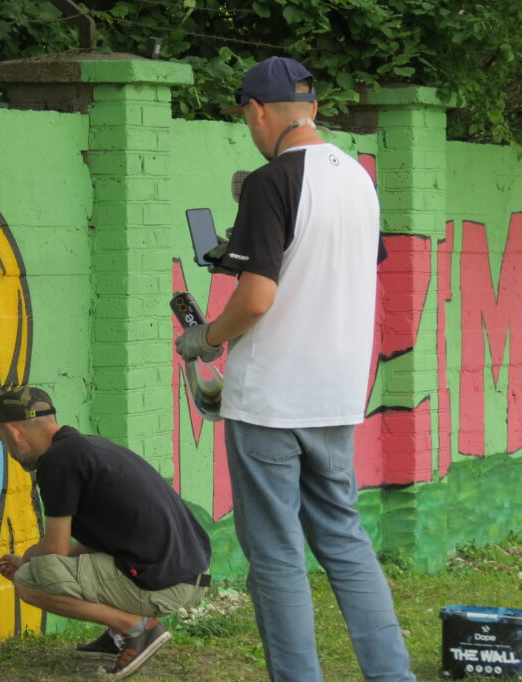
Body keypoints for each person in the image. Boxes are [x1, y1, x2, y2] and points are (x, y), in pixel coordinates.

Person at [175, 57, 417, 682]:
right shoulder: (359, 178)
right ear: (312, 107)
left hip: (271, 401)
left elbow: (257, 299)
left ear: (258, 110)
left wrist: (206, 338)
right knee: (344, 539)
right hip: (337, 395)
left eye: (245, 118)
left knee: (276, 556)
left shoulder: (271, 180)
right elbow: (331, 266)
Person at [0, 386, 212, 679]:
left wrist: (28, 561)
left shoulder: (56, 461)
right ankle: (117, 633)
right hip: (189, 572)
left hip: (166, 582)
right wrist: (28, 558)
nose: (7, 448)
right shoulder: (86, 447)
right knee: (38, 567)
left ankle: (136, 628)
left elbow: (55, 550)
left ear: (14, 432)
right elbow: (98, 542)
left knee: (29, 581)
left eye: (2, 439)